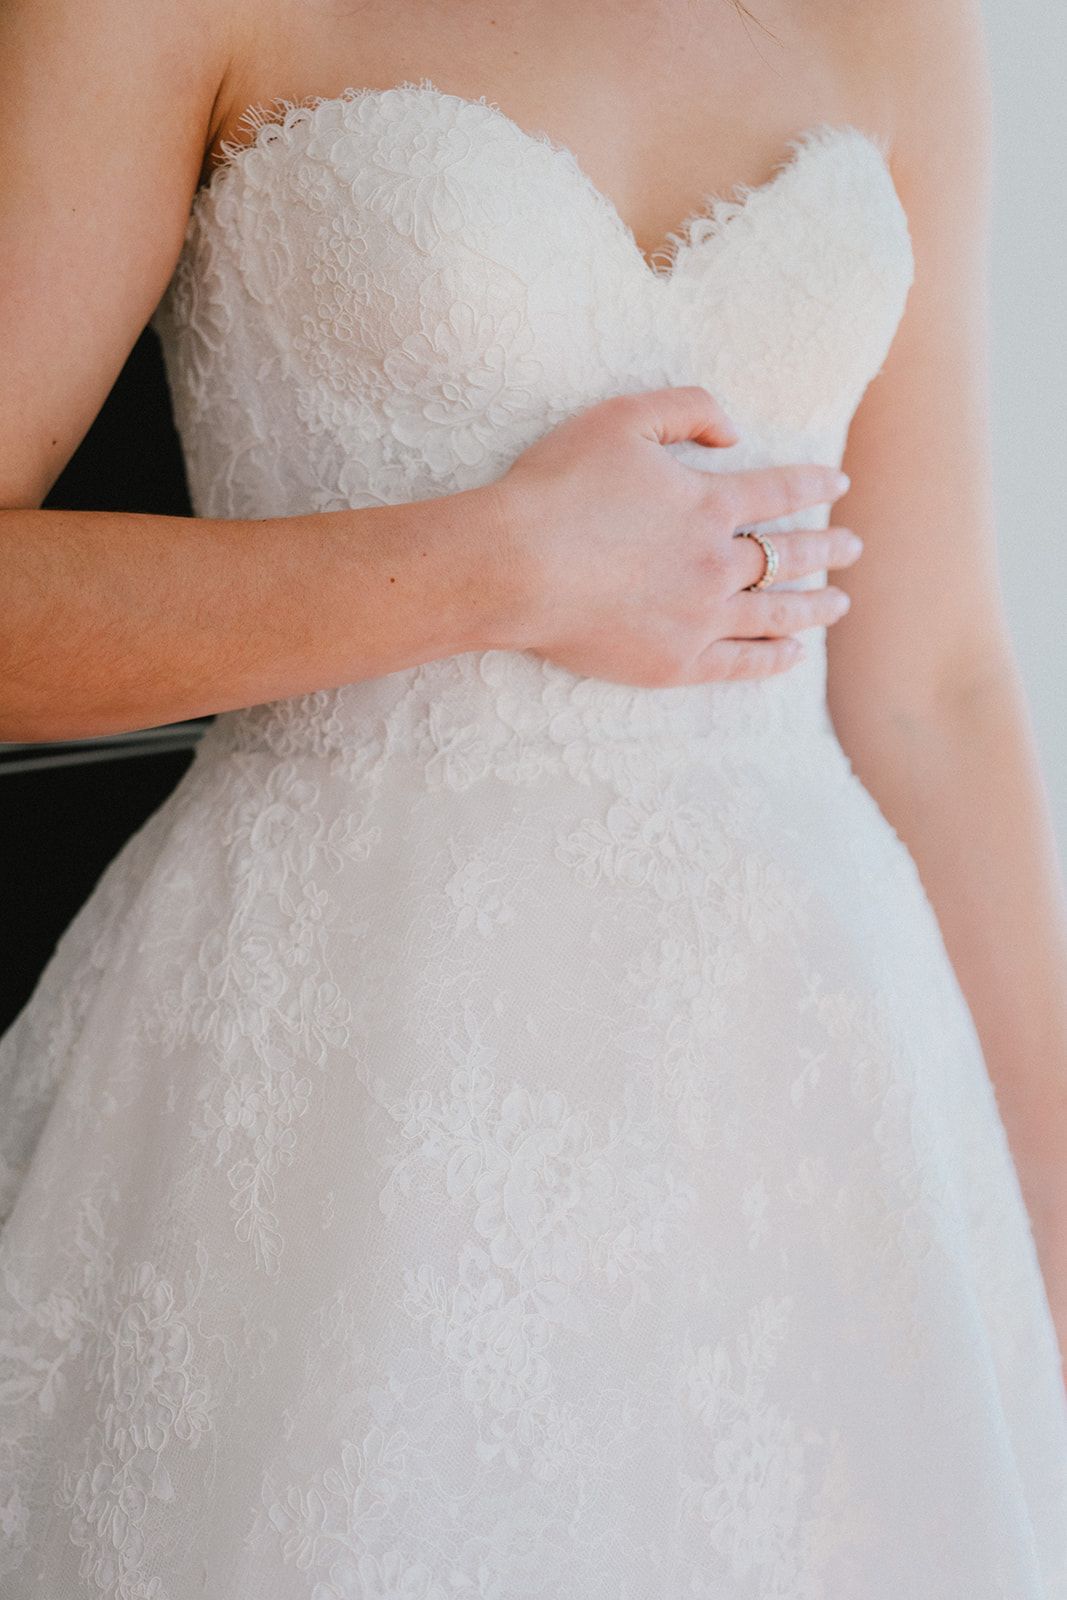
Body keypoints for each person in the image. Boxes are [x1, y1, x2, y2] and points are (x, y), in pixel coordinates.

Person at [2, 0, 1066, 1592]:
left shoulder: (902, 20)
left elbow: (935, 692)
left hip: (804, 1122)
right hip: (332, 1107)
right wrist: (497, 567)